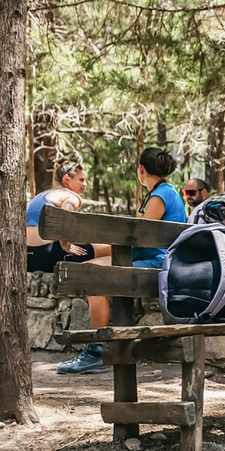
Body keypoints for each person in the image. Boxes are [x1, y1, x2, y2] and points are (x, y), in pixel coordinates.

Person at [56, 148, 187, 375]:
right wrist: (91, 249)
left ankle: (96, 352)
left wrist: (93, 247)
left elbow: (139, 241)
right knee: (89, 265)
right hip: (151, 258)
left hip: (158, 263)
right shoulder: (163, 192)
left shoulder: (159, 197)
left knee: (93, 277)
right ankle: (97, 349)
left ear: (141, 169)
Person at [27, 162, 111, 272]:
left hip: (27, 256)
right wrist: (64, 242)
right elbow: (66, 211)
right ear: (67, 179)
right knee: (114, 251)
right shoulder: (70, 195)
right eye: (81, 180)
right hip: (49, 254)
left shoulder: (40, 196)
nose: (85, 184)